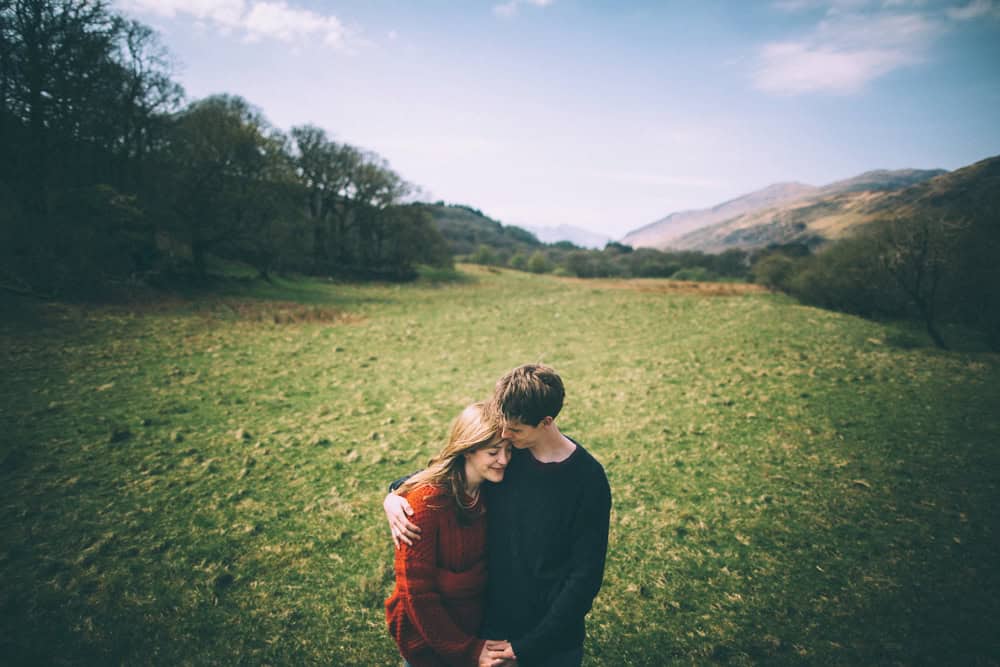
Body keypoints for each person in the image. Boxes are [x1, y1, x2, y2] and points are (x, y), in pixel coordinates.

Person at [385, 365, 612, 667]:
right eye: (503, 428)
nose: (505, 437)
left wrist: (530, 646)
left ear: (546, 422)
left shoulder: (587, 480)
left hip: (551, 641)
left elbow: (584, 579)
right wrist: (395, 494)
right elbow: (451, 471)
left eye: (514, 430)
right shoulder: (511, 452)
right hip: (490, 625)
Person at [385, 401, 514, 667]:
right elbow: (416, 595)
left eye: (508, 449)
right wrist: (466, 649)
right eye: (493, 452)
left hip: (475, 625)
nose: (504, 460)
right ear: (467, 450)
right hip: (429, 638)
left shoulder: (493, 490)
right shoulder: (424, 505)